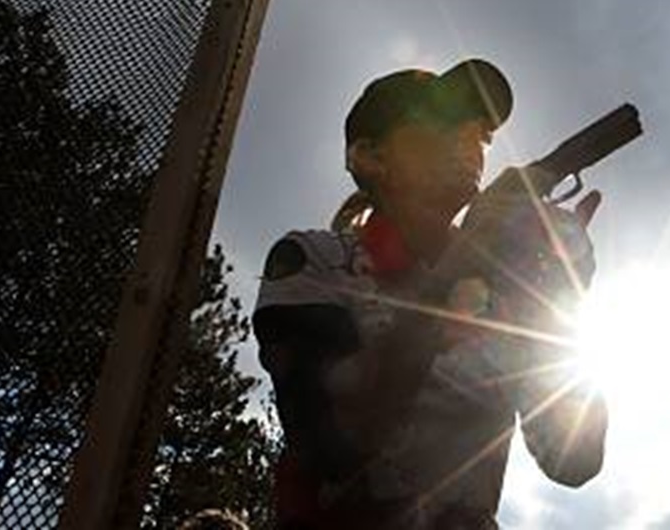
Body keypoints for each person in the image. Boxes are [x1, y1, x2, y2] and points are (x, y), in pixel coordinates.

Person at [253, 59, 608, 529]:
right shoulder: (313, 259)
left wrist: (553, 300)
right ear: (371, 156)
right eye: (441, 120)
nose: (470, 137)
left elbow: (573, 461)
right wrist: (467, 259)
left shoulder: (497, 296)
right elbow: (337, 447)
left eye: (481, 133)